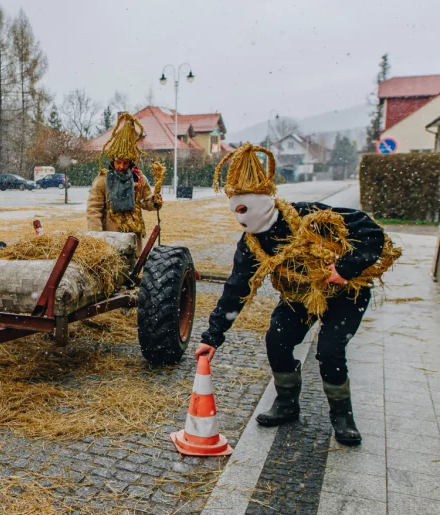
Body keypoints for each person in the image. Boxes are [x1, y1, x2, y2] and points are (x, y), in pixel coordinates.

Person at [196, 143, 399, 446]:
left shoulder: (310, 216)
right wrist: (212, 337)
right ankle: (287, 404)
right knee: (277, 340)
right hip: (299, 296)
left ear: (263, 202)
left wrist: (345, 268)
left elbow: (371, 232)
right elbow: (236, 289)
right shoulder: (251, 244)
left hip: (345, 295)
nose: (240, 217)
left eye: (244, 208)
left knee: (329, 351)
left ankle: (343, 417)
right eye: (234, 210)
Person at [87, 112, 163, 252]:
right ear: (113, 161)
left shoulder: (139, 179)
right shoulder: (102, 181)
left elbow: (146, 202)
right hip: (110, 239)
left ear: (131, 162)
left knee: (133, 269)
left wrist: (154, 202)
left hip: (133, 235)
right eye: (118, 162)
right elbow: (94, 210)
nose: (121, 166)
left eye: (125, 163)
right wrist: (96, 237)